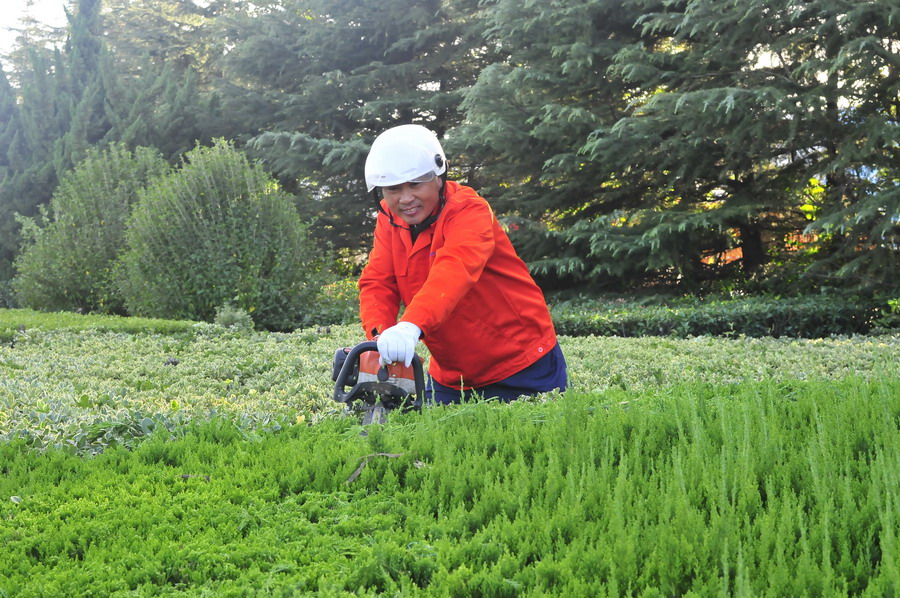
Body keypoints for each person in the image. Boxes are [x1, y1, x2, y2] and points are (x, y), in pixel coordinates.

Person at [358, 124, 567, 404]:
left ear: (438, 178)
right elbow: (378, 281)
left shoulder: (470, 210)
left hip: (522, 363)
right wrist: (380, 338)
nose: (405, 198)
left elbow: (455, 269)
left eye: (416, 184)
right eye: (394, 188)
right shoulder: (389, 219)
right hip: (452, 375)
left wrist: (410, 325)